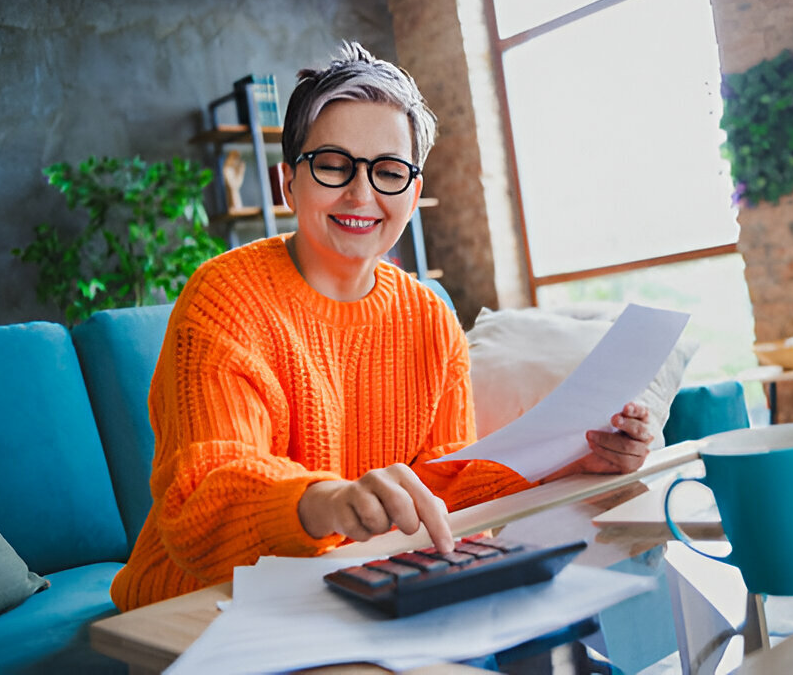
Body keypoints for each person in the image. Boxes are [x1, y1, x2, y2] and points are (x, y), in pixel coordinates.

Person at [110, 42, 653, 612]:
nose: (361, 193)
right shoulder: (224, 297)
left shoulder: (430, 318)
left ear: (413, 193)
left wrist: (573, 459)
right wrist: (329, 501)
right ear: (288, 181)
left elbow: (441, 483)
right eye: (333, 164)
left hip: (353, 591)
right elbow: (203, 499)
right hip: (198, 604)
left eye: (389, 171)